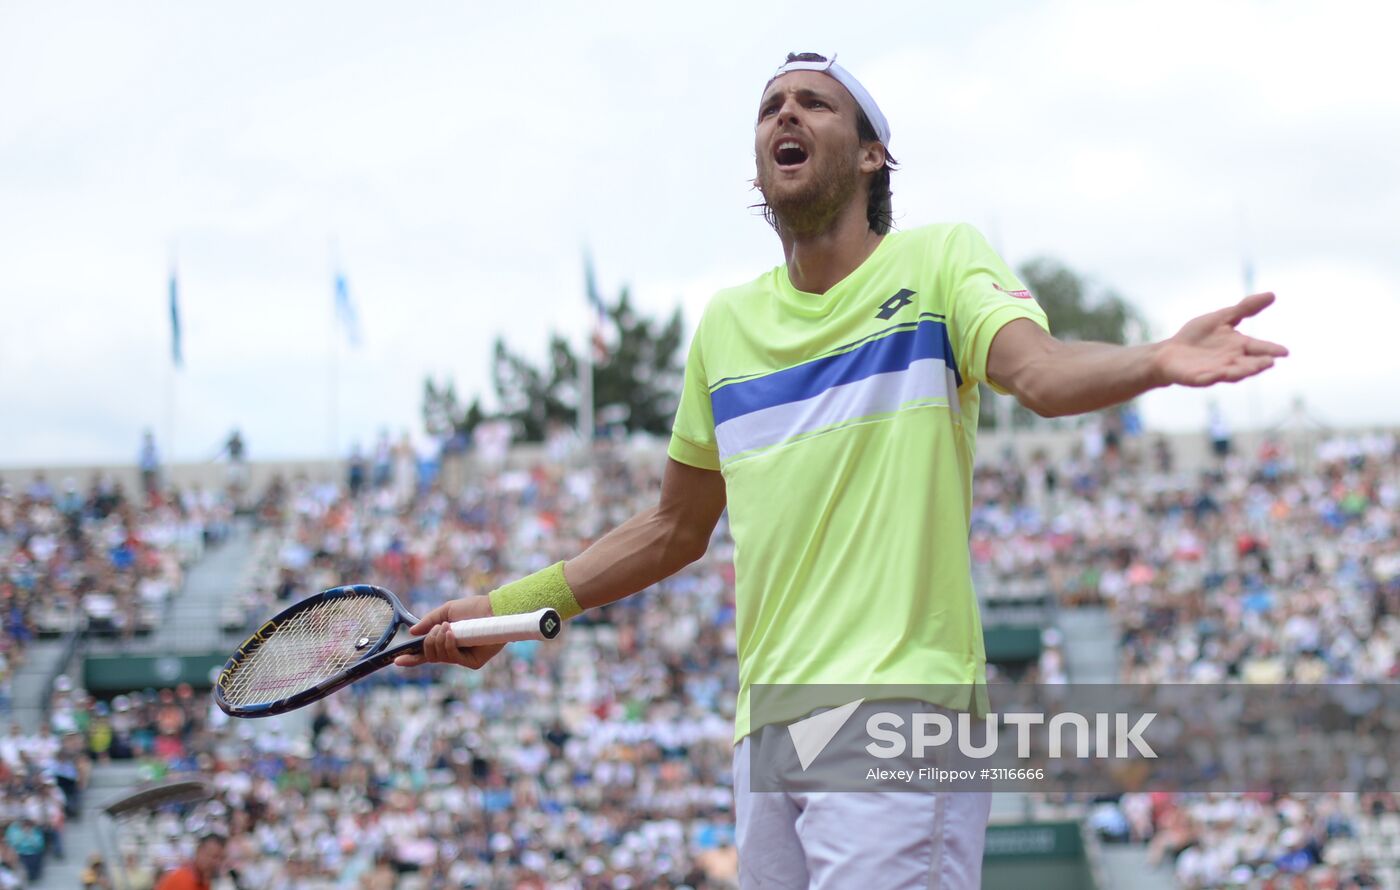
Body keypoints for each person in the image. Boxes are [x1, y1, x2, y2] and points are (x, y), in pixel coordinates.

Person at [402, 51, 1288, 888]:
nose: (784, 113)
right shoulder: (724, 326)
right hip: (768, 733)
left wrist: (1157, 359)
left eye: (813, 101)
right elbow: (673, 528)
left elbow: (1041, 374)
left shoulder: (940, 261)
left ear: (872, 155)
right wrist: (504, 610)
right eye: (769, 107)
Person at [153, 834, 227, 890]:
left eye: (220, 858)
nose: (216, 863)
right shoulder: (180, 878)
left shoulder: (204, 882)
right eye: (213, 856)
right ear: (199, 851)